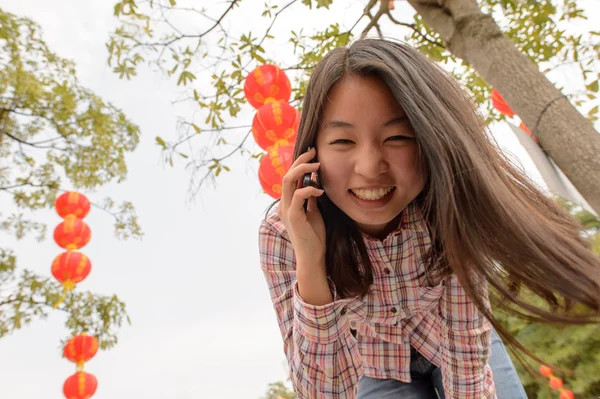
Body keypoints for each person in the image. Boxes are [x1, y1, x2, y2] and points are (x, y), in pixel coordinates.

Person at [258, 39, 600, 399]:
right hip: (374, 362)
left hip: (457, 336)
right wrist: (311, 263)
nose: (371, 166)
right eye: (343, 141)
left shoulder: (448, 204)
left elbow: (465, 361)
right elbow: (323, 393)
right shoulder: (282, 234)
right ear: (311, 151)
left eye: (398, 137)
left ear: (428, 140)